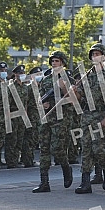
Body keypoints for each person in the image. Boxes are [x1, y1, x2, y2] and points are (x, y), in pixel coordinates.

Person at [72, 43, 105, 194]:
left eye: (98, 54)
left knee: (97, 148)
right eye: (93, 54)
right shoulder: (87, 76)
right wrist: (74, 91)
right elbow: (79, 97)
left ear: (104, 56)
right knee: (86, 149)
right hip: (87, 115)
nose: (95, 56)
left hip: (102, 115)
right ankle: (85, 182)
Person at [33, 51, 74, 193]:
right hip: (47, 118)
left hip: (61, 119)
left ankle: (66, 168)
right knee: (44, 149)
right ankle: (44, 182)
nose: (54, 63)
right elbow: (40, 98)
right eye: (53, 61)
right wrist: (43, 105)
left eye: (57, 61)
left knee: (57, 148)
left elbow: (74, 99)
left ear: (62, 63)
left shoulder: (68, 79)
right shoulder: (46, 80)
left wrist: (63, 87)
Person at [4, 64, 29, 168]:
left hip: (22, 116)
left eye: (23, 73)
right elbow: (7, 104)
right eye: (19, 73)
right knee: (12, 139)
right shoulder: (10, 87)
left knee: (19, 139)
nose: (21, 75)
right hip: (13, 115)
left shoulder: (25, 87)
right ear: (15, 74)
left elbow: (26, 103)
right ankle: (10, 161)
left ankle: (16, 159)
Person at [20, 66, 43, 168]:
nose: (39, 76)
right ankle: (27, 160)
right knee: (29, 139)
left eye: (40, 74)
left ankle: (31, 158)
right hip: (31, 116)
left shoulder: (42, 87)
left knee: (34, 139)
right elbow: (25, 103)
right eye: (36, 75)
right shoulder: (28, 88)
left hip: (39, 117)